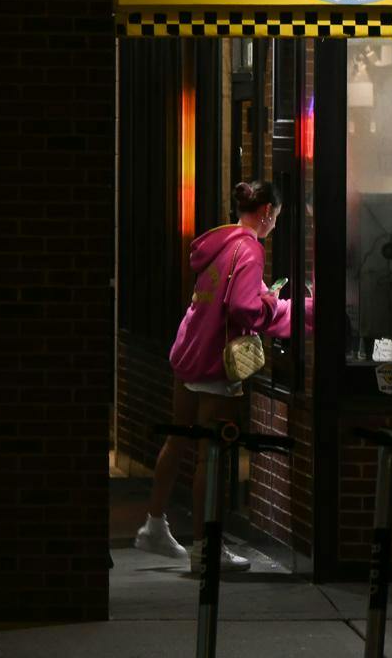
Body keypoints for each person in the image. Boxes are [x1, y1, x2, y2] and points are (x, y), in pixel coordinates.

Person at [133, 180, 290, 571]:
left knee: (177, 439)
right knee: (212, 455)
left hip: (188, 351)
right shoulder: (250, 248)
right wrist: (272, 303)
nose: (274, 226)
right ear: (267, 211)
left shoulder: (219, 243)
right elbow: (243, 310)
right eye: (277, 218)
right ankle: (207, 549)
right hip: (218, 361)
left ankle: (154, 524)